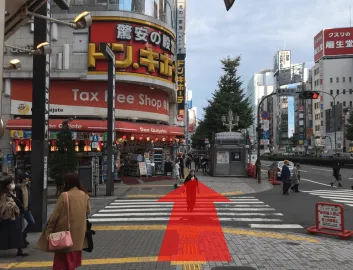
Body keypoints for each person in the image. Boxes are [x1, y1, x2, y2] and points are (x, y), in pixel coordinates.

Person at [37, 173, 91, 270]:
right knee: (72, 261)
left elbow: (54, 216)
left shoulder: (64, 195)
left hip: (65, 234)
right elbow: (88, 211)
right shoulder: (85, 195)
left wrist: (48, 231)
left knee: (61, 261)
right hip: (79, 235)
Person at [0, 178, 28, 256]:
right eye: (11, 183)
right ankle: (20, 250)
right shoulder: (3, 194)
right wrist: (11, 205)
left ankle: (20, 250)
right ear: (7, 185)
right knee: (7, 234)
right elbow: (2, 206)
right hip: (7, 217)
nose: (13, 184)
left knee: (16, 233)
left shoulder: (11, 192)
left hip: (13, 216)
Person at [15, 171, 35, 246]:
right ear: (23, 179)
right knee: (21, 227)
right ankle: (21, 242)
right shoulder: (17, 188)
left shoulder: (27, 186)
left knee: (32, 223)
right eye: (27, 177)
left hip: (27, 209)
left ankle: (24, 235)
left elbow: (28, 197)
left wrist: (29, 206)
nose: (28, 179)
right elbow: (17, 199)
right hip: (21, 210)